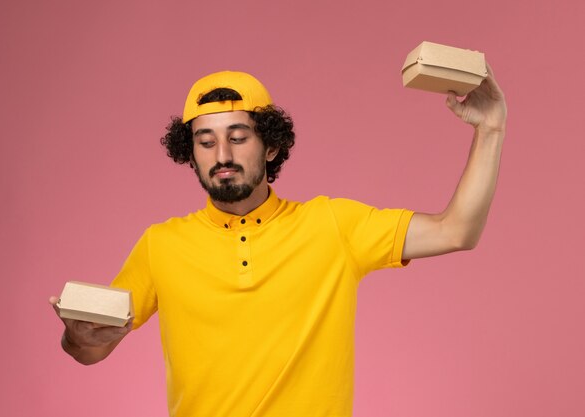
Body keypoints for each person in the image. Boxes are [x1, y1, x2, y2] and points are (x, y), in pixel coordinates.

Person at [50, 69, 507, 416]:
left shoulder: (333, 224)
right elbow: (93, 349)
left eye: (238, 137)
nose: (222, 156)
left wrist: (490, 130)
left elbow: (456, 230)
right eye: (205, 142)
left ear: (270, 146)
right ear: (189, 153)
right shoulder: (161, 244)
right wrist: (79, 337)